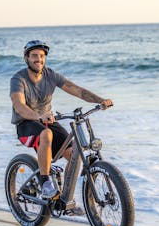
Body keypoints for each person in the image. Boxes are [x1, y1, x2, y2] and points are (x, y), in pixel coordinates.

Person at [10, 40, 113, 199]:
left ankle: (65, 198)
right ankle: (45, 184)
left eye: (42, 56)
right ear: (27, 59)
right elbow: (19, 105)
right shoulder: (18, 79)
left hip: (47, 121)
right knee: (47, 134)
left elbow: (77, 90)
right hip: (26, 124)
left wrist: (100, 100)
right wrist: (39, 116)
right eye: (34, 56)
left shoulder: (50, 75)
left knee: (74, 155)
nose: (39, 59)